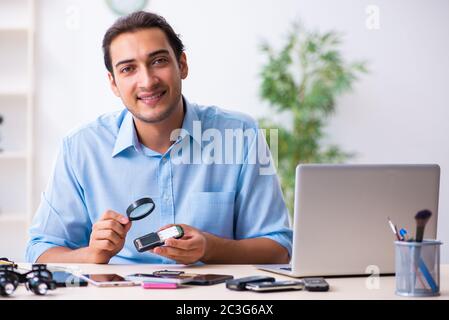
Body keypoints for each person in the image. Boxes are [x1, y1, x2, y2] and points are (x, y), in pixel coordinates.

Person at [26, 11, 292, 265]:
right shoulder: (81, 148)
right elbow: (39, 250)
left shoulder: (241, 135)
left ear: (182, 65)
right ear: (113, 83)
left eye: (158, 61)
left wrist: (210, 248)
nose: (147, 81)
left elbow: (279, 249)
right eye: (128, 69)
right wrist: (92, 255)